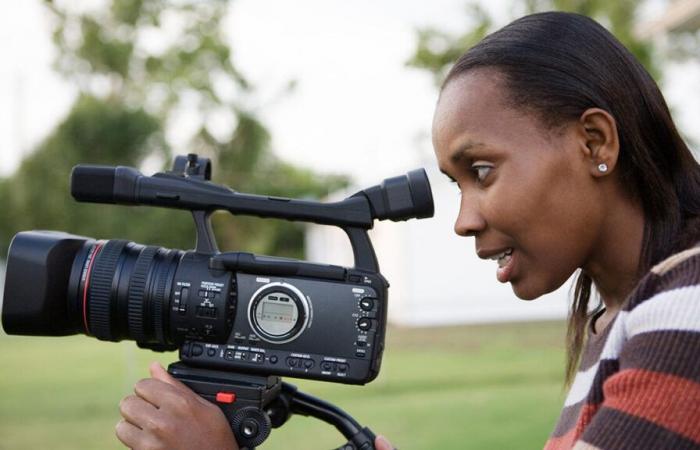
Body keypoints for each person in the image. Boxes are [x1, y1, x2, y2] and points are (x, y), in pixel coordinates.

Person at [115, 12, 700, 450]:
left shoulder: (686, 307)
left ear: (594, 143)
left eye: (483, 171)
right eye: (457, 183)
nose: (464, 219)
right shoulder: (623, 315)